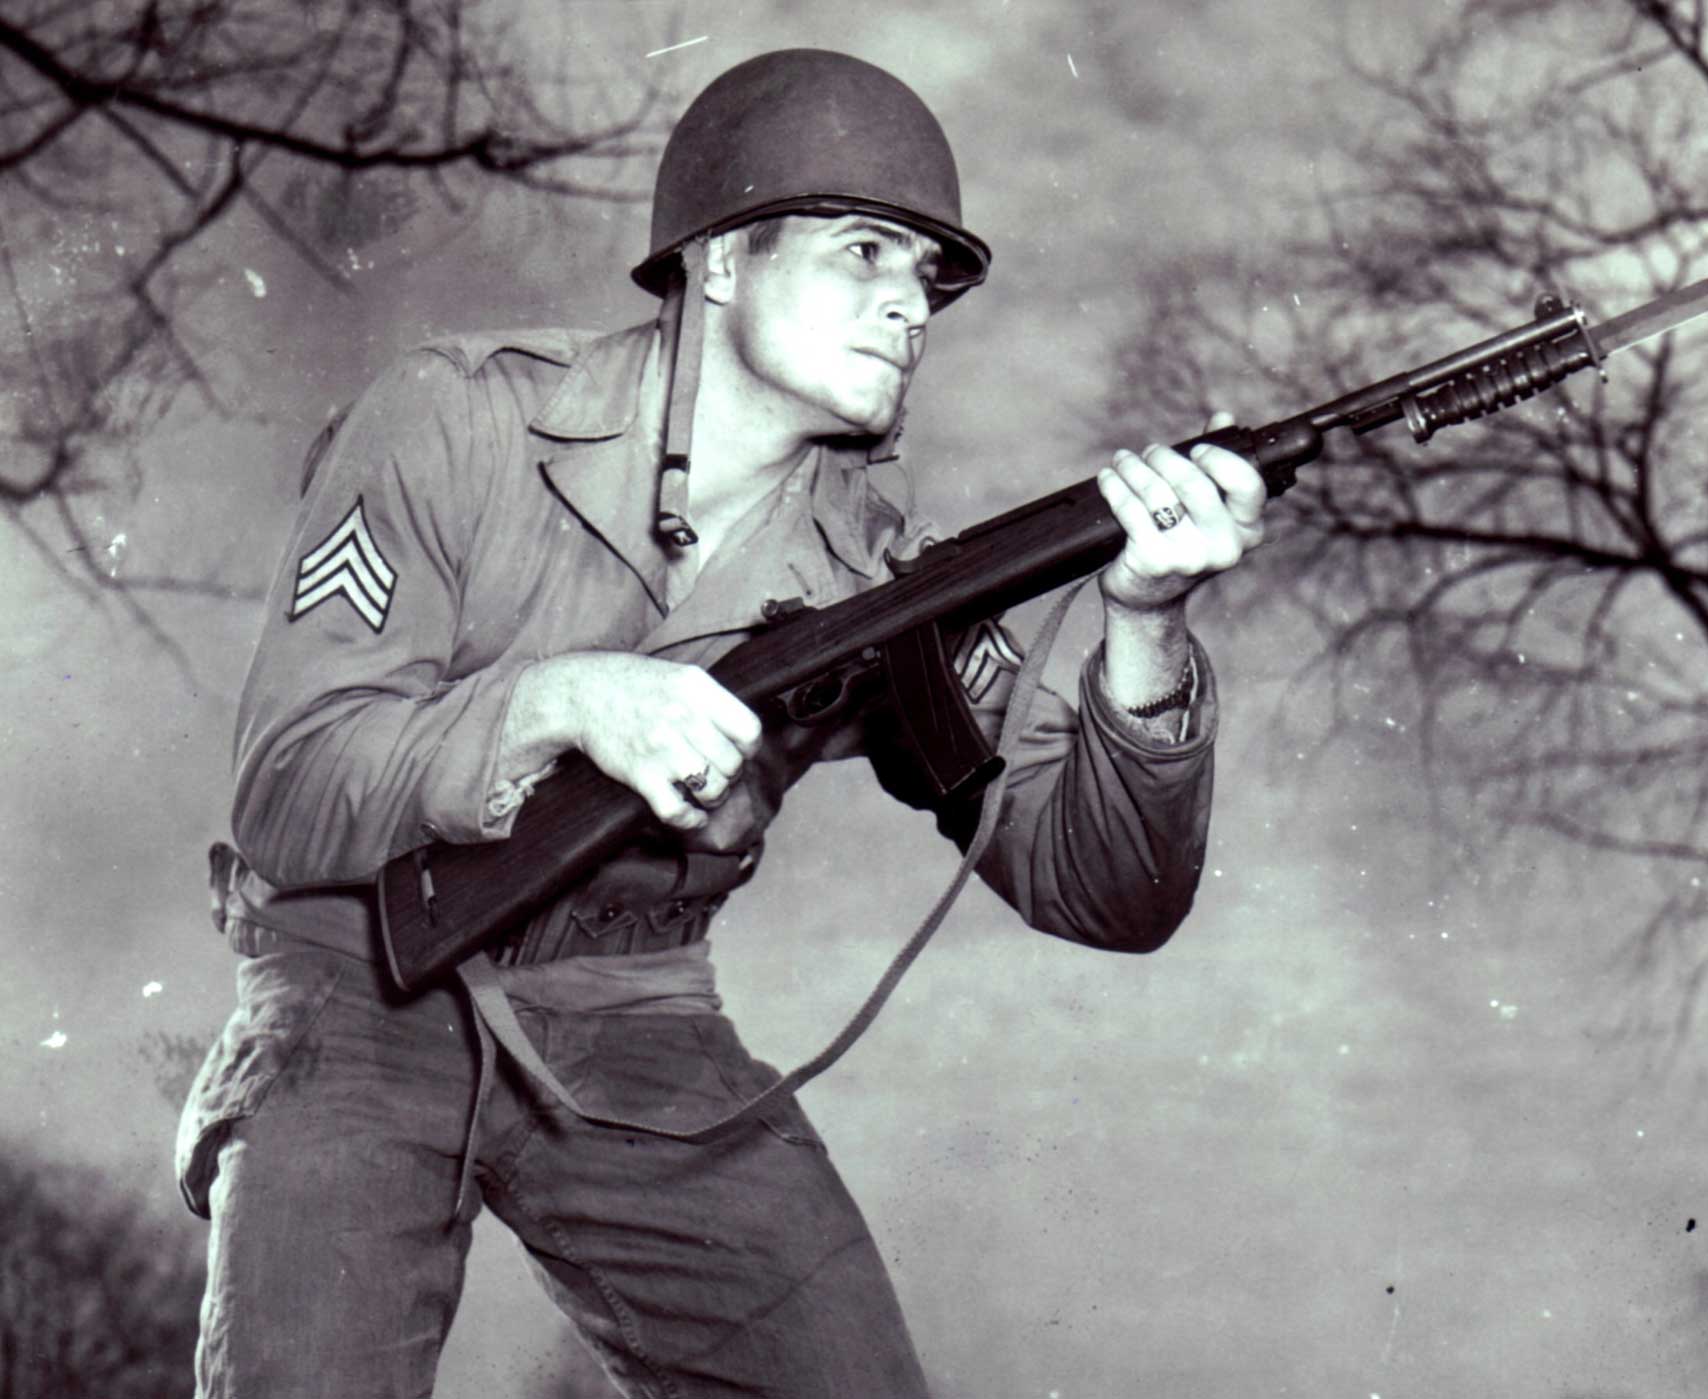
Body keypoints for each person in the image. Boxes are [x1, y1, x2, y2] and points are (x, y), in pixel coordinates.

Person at [177, 47, 1267, 1399]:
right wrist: (558, 702)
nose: (910, 306)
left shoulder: (883, 576)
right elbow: (287, 787)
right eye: (864, 250)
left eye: (928, 277)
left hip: (638, 1014)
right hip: (357, 990)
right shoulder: (453, 424)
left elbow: (1106, 890)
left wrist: (1148, 625)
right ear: (722, 260)